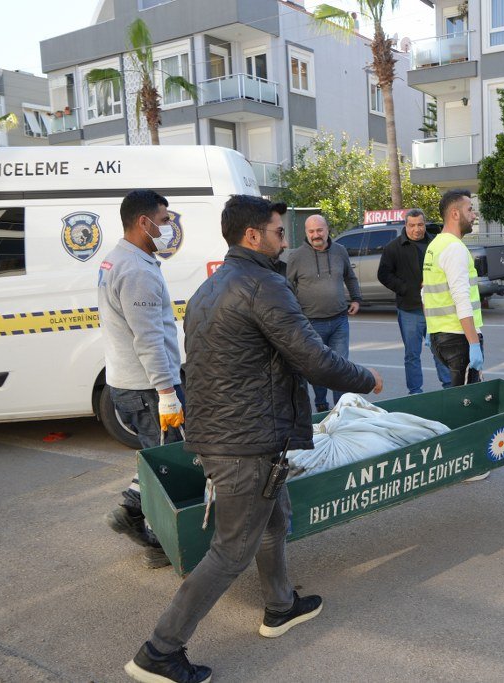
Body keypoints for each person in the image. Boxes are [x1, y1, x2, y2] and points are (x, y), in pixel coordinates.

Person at [125, 195, 383, 683]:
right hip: (244, 441)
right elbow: (313, 358)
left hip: (231, 433)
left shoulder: (212, 285)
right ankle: (160, 651)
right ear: (252, 236)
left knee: (274, 518)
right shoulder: (263, 285)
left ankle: (280, 605)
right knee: (230, 550)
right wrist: (366, 379)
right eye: (279, 232)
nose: (284, 240)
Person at [97, 189, 185, 570]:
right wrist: (167, 392)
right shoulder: (135, 272)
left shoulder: (116, 260)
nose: (169, 228)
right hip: (150, 389)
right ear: (143, 223)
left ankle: (130, 509)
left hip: (126, 383)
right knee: (168, 466)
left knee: (153, 458)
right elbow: (147, 338)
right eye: (165, 221)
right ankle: (161, 542)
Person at [287, 214, 362, 412]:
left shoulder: (340, 251)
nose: (316, 235)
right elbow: (286, 286)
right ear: (306, 233)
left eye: (319, 230)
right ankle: (321, 404)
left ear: (327, 230)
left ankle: (341, 409)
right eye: (311, 231)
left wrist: (356, 298)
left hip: (339, 320)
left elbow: (350, 277)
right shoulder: (296, 256)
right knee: (318, 368)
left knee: (340, 367)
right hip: (311, 323)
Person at [377, 208, 452, 394]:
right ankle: (415, 392)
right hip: (409, 310)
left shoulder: (435, 243)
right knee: (412, 355)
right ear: (406, 225)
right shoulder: (393, 247)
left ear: (424, 224)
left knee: (440, 351)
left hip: (436, 309)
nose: (416, 229)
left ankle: (449, 387)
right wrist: (405, 288)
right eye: (412, 225)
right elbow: (383, 274)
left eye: (420, 225)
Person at [422, 189, 484, 387]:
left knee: (455, 398)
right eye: (470, 209)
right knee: (465, 403)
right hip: (459, 339)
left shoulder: (434, 246)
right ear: (455, 214)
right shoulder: (455, 248)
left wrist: (429, 330)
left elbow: (425, 292)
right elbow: (462, 299)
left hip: (439, 337)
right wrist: (474, 343)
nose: (474, 215)